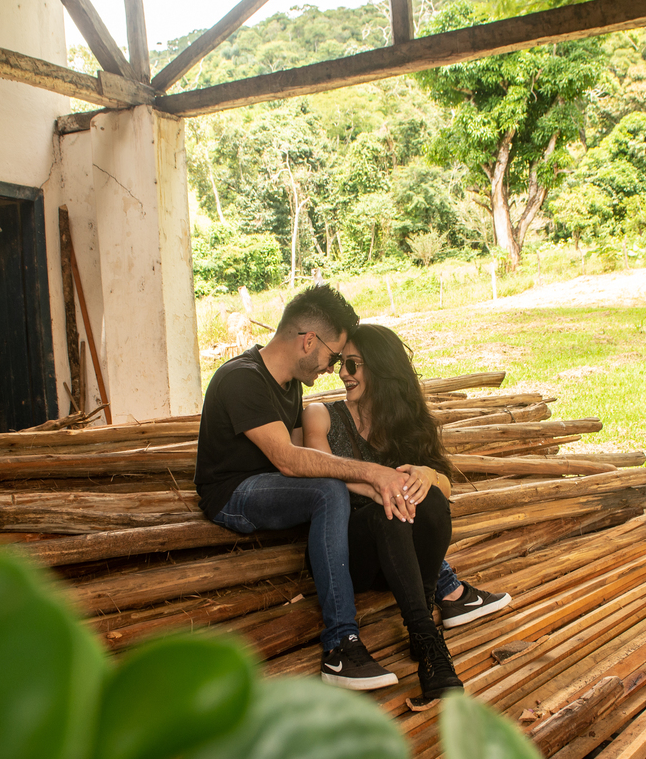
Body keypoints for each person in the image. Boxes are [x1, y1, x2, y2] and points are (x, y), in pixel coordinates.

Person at [194, 285, 416, 691]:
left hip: (273, 486)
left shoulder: (289, 384)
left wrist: (371, 486)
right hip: (231, 494)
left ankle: (445, 583)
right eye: (334, 356)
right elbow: (289, 460)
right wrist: (370, 473)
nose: (333, 369)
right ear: (309, 341)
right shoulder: (241, 379)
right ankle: (340, 647)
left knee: (347, 488)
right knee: (329, 490)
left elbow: (306, 457)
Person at [301, 324, 509, 701]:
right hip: (352, 555)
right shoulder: (321, 415)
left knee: (430, 499)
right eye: (341, 363)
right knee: (388, 511)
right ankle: (427, 638)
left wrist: (429, 475)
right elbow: (321, 469)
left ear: (381, 367)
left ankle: (427, 611)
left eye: (353, 364)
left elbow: (445, 488)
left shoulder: (406, 421)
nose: (343, 373)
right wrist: (378, 484)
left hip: (403, 561)